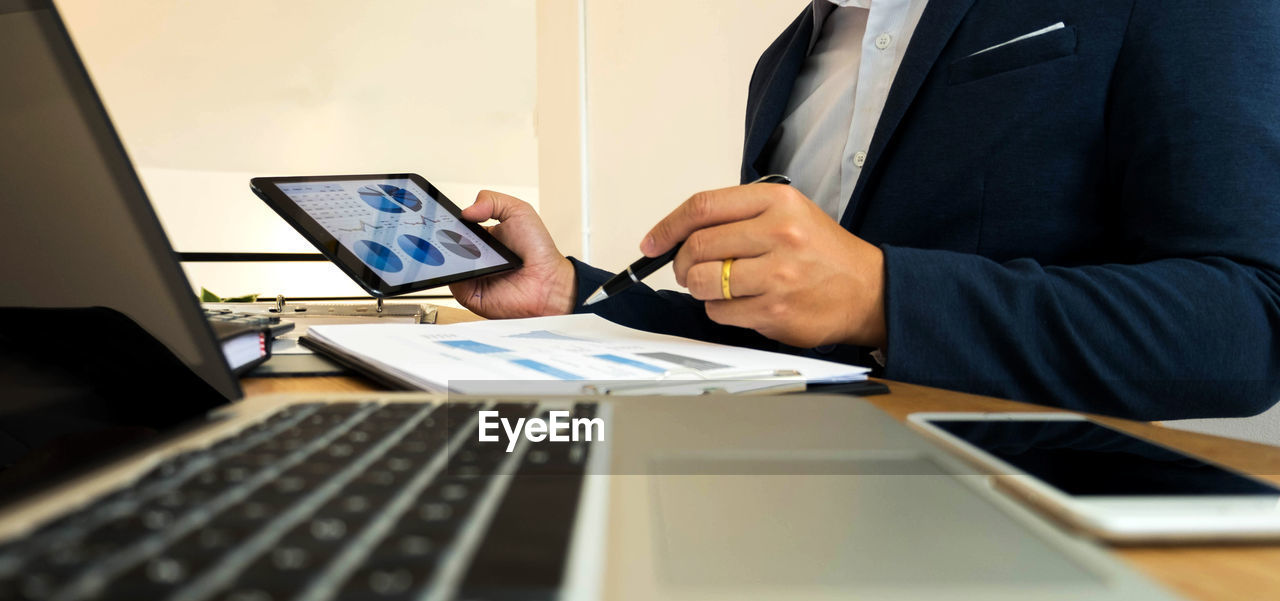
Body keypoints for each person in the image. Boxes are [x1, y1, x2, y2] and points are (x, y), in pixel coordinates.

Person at [449, 0, 1280, 421]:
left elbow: (1246, 329)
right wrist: (572, 294)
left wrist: (885, 294)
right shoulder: (787, 60)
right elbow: (787, 331)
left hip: (1050, 561)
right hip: (808, 506)